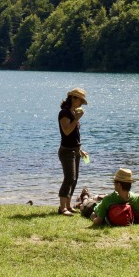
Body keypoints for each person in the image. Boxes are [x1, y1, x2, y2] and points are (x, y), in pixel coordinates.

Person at [57, 87, 88, 216]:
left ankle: (68, 206)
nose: (81, 103)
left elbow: (75, 134)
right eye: (80, 100)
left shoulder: (73, 112)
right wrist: (77, 119)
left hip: (75, 150)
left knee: (74, 179)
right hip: (66, 151)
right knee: (69, 178)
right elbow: (66, 131)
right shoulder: (64, 113)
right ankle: (62, 208)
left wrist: (80, 150)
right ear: (73, 98)